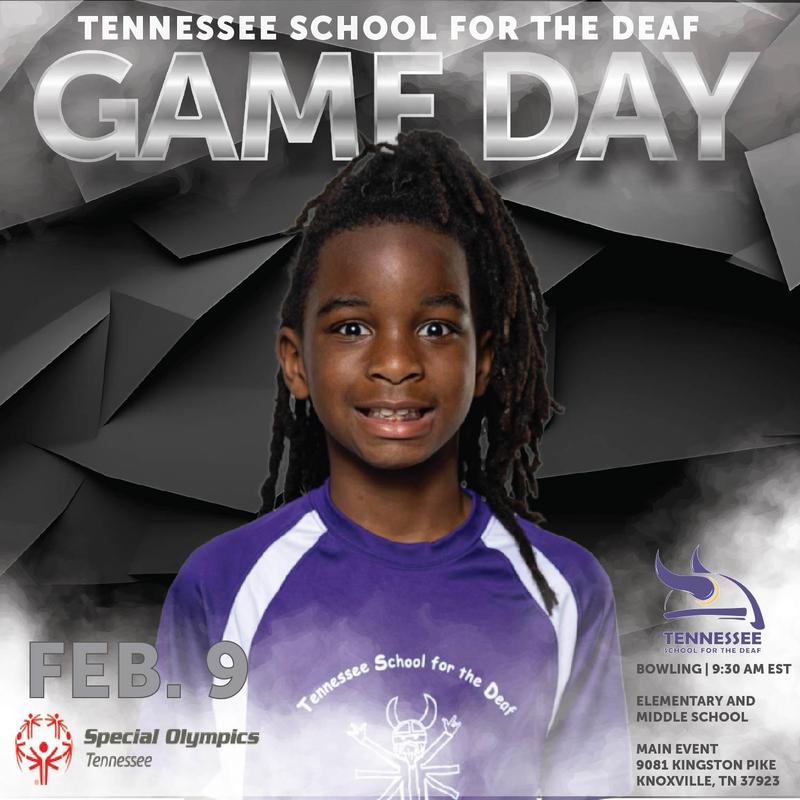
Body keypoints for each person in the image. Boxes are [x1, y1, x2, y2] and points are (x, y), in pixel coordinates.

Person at [154, 130, 631, 798]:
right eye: (352, 328)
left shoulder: (565, 588)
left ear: (484, 361)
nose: (398, 362)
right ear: (296, 363)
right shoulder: (224, 584)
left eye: (436, 328)